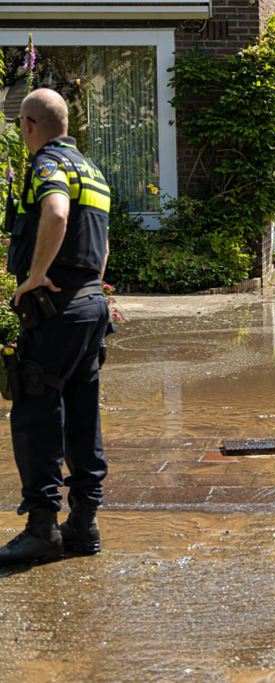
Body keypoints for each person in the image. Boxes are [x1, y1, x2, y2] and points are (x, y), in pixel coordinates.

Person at [0, 88, 113, 566]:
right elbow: (102, 243)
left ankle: (42, 528)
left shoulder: (47, 165)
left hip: (56, 307)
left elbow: (56, 212)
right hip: (90, 305)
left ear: (28, 125)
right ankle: (83, 525)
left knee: (35, 408)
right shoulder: (92, 170)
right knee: (81, 410)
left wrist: (36, 275)